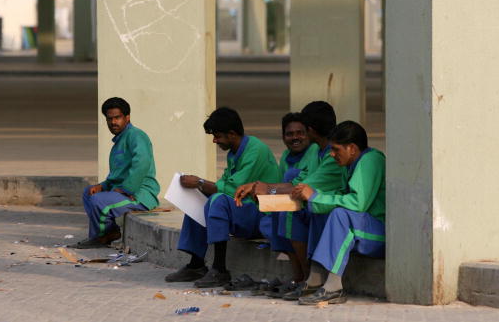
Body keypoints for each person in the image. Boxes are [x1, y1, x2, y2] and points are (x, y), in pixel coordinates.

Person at [234, 101, 344, 297]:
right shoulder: (316, 151)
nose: (297, 136)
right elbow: (300, 182)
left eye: (302, 130)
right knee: (279, 208)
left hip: (330, 208)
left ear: (310, 130)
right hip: (314, 203)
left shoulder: (330, 155)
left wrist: (265, 188)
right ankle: (299, 277)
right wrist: (260, 188)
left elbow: (302, 187)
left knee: (290, 211)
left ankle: (306, 279)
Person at [165, 107, 279, 287]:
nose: (214, 140)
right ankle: (196, 264)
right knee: (197, 199)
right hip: (244, 209)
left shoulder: (255, 150)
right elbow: (224, 184)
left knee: (216, 200)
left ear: (232, 134)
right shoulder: (234, 153)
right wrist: (199, 186)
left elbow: (232, 189)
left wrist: (200, 182)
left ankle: (220, 269)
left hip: (261, 213)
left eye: (217, 136)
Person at [291, 120, 386, 305]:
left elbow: (357, 204)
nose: (332, 154)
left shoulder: (371, 160)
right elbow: (342, 196)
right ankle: (315, 280)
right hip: (363, 227)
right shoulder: (350, 163)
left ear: (351, 148)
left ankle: (334, 287)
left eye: (336, 150)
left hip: (379, 234)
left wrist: (315, 197)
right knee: (321, 211)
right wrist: (315, 197)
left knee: (339, 215)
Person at [71, 97, 160, 249]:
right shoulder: (120, 140)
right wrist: (103, 185)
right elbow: (118, 174)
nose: (113, 122)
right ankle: (108, 232)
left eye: (117, 118)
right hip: (124, 192)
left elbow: (142, 163)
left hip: (139, 195)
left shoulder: (136, 136)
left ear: (127, 117)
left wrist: (128, 189)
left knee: (98, 201)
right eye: (109, 119)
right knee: (89, 193)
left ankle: (102, 236)